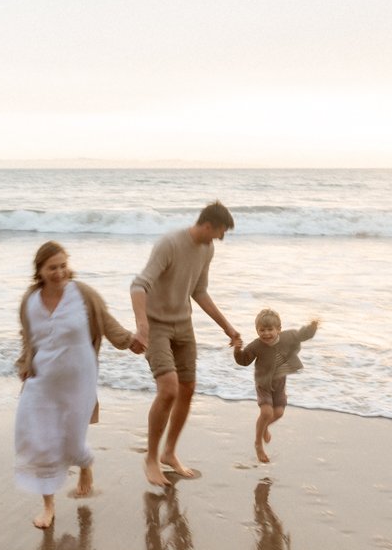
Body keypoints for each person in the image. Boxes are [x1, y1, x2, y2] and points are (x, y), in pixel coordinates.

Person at [15, 241, 143, 529]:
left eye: (63, 265)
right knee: (40, 440)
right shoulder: (30, 301)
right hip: (42, 380)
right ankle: (48, 506)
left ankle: (85, 464)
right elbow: (28, 338)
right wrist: (24, 364)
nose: (60, 272)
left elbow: (107, 323)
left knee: (72, 441)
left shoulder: (83, 295)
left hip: (78, 379)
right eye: (52, 268)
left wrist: (129, 341)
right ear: (40, 271)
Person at [130, 201, 240, 487]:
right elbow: (138, 285)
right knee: (168, 389)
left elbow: (199, 291)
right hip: (157, 326)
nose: (221, 237)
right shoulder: (170, 244)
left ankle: (169, 453)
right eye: (220, 231)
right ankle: (151, 459)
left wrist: (227, 327)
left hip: (184, 326)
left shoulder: (207, 249)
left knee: (187, 389)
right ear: (208, 226)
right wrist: (142, 325)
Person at [233, 308, 319, 464]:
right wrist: (237, 350)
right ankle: (258, 443)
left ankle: (264, 427)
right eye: (262, 330)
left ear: (279, 329)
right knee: (266, 412)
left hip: (280, 383)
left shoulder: (288, 337)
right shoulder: (256, 345)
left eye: (270, 329)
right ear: (257, 330)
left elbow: (302, 335)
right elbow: (244, 361)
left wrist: (312, 327)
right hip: (263, 384)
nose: (266, 333)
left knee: (278, 412)